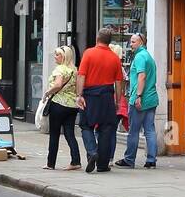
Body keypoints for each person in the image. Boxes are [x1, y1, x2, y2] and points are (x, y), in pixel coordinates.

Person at [76, 28, 123, 173]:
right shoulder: (115, 58)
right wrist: (117, 101)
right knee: (106, 129)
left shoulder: (89, 53)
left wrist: (79, 95)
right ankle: (102, 164)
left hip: (90, 95)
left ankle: (92, 151)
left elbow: (81, 76)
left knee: (85, 125)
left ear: (97, 38)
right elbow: (119, 82)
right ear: (110, 41)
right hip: (107, 96)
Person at [115, 33, 158, 169]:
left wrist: (138, 96)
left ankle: (129, 159)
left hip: (140, 99)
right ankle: (151, 160)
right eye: (131, 42)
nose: (130, 44)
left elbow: (142, 77)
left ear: (141, 42)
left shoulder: (139, 57)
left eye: (133, 42)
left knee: (133, 130)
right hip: (152, 98)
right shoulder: (149, 56)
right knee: (149, 130)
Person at [42, 46, 81, 171]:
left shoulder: (59, 69)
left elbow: (58, 84)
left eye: (57, 55)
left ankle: (50, 163)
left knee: (54, 134)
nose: (55, 57)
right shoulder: (75, 70)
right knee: (69, 133)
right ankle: (76, 161)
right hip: (72, 106)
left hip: (58, 104)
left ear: (64, 57)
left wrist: (48, 92)